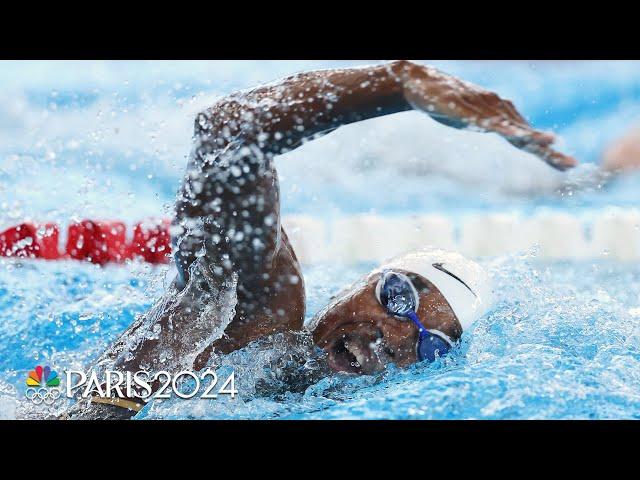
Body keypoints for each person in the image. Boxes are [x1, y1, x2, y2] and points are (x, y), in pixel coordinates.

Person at [61, 60, 576, 419]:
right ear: (362, 282)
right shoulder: (259, 316)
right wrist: (396, 83)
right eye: (399, 297)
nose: (393, 338)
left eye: (432, 346)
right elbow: (226, 135)